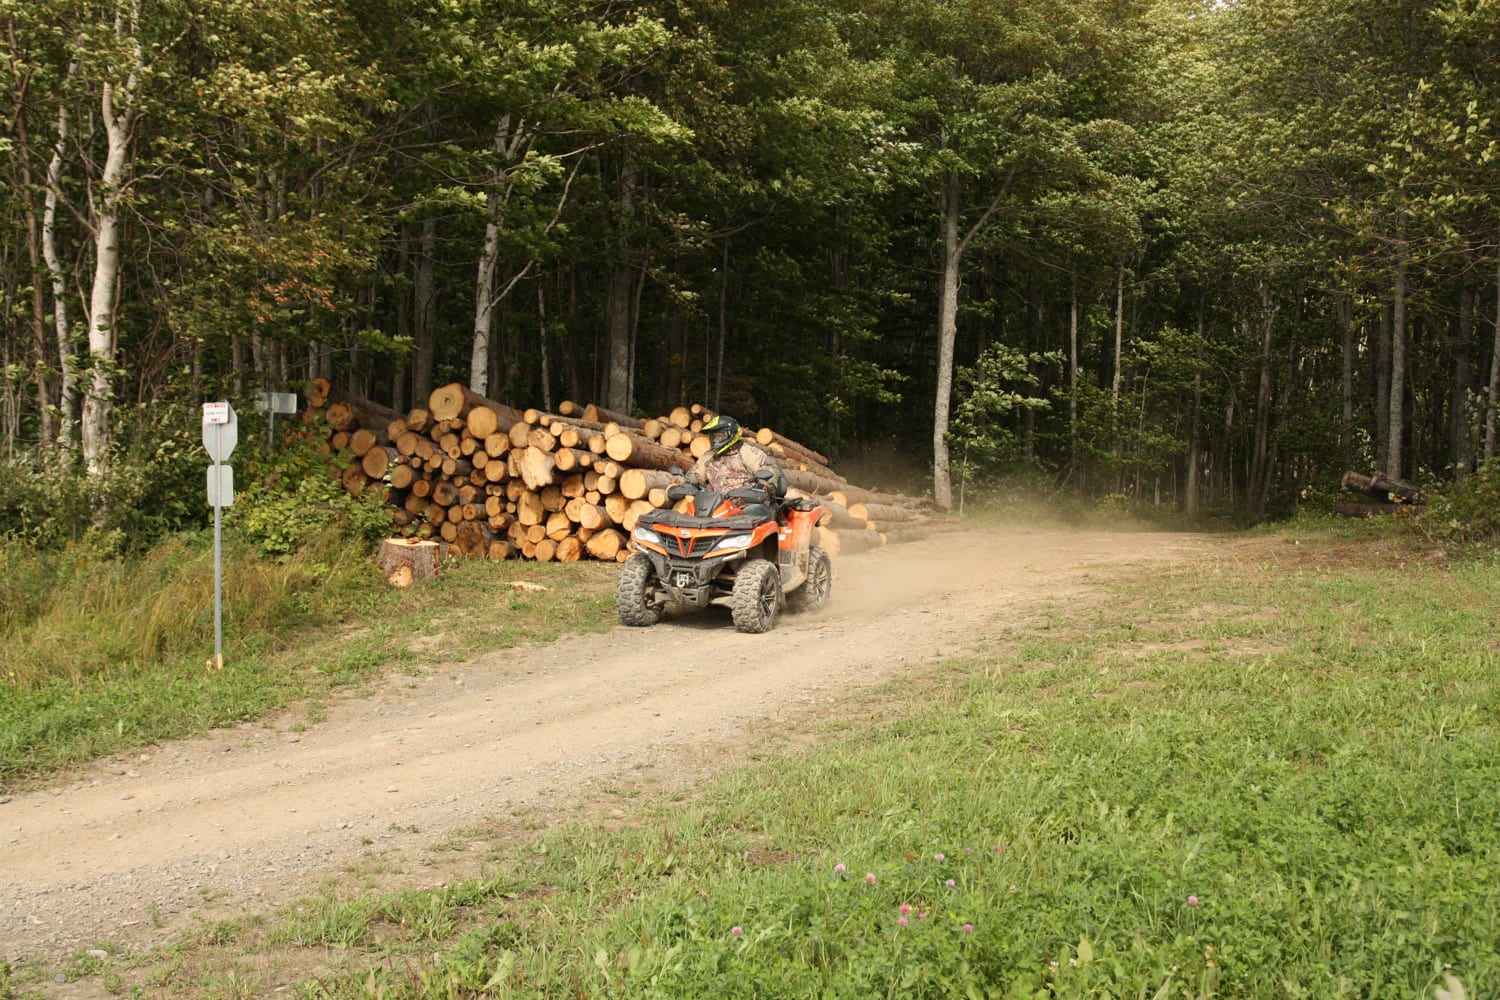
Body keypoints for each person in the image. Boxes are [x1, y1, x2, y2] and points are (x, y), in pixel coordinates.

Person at [684, 414, 783, 496]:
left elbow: (769, 470)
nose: (714, 440)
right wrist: (681, 485)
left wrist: (763, 486)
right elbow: (695, 476)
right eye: (712, 436)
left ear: (730, 434)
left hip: (746, 506)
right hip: (715, 507)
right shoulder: (708, 456)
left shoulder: (748, 452)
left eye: (719, 436)